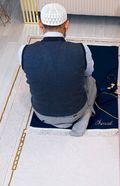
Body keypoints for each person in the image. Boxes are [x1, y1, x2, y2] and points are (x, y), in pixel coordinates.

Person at [18, 3, 96, 136]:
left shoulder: (23, 51)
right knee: (91, 81)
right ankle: (87, 113)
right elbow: (88, 73)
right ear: (67, 24)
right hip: (75, 113)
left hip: (41, 114)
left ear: (40, 24)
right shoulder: (82, 49)